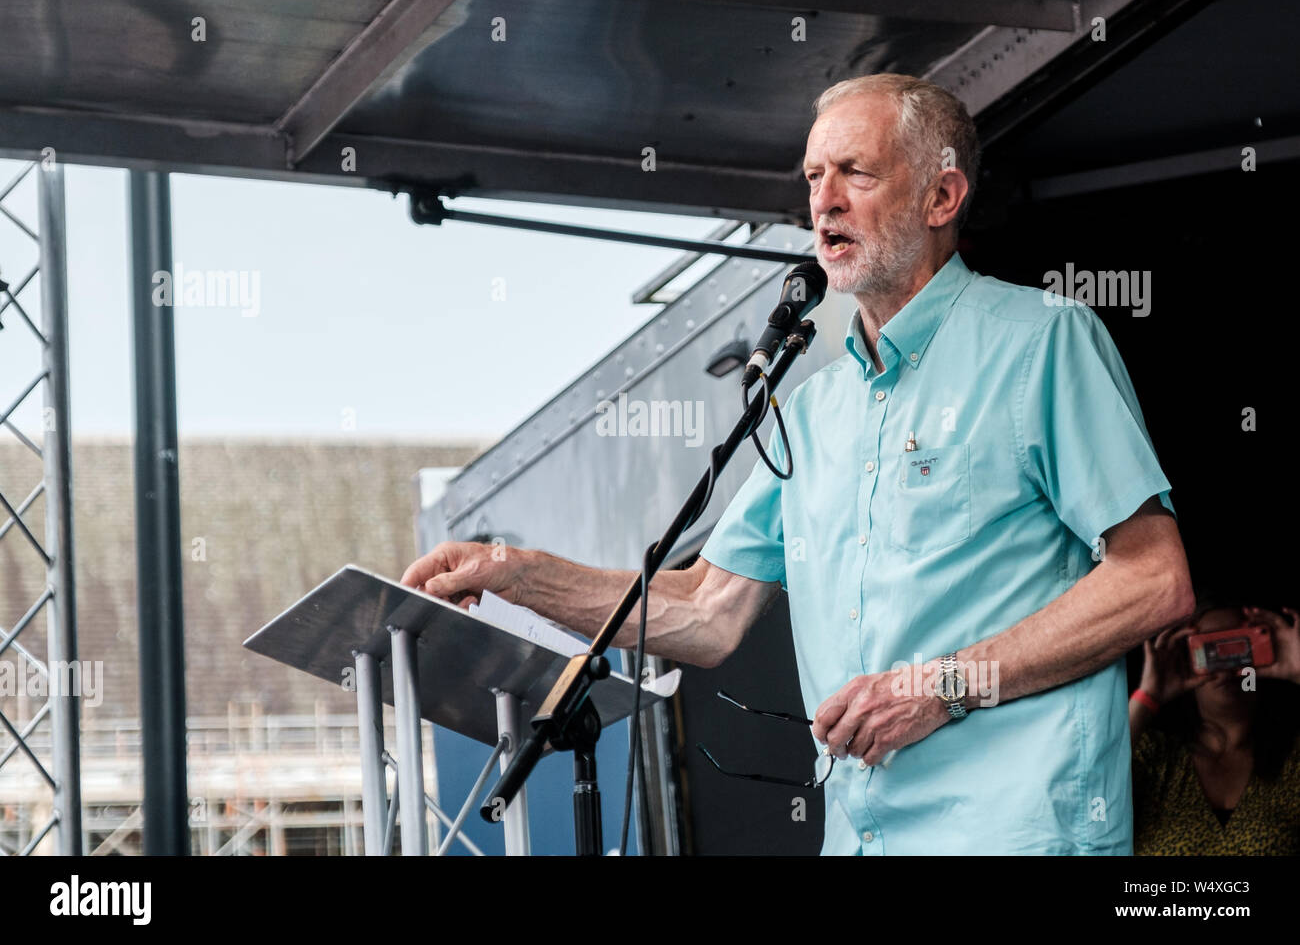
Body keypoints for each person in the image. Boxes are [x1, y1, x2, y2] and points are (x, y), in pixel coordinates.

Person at [402, 73, 1194, 854]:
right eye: (814, 176)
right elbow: (706, 611)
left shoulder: (1042, 341)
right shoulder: (812, 409)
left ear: (941, 198)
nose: (825, 200)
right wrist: (514, 572)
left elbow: (1153, 580)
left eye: (857, 171)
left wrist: (940, 688)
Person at [1131, 602, 1300, 854]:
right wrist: (1148, 696)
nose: (1226, 667)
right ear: (1185, 657)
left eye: (1239, 647)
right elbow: (1081, 782)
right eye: (1210, 650)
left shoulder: (1293, 759)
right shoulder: (1155, 755)